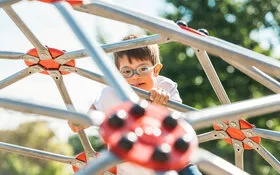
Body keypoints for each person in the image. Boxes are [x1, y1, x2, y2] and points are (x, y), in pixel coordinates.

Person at [70, 34, 201, 175]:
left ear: (156, 70)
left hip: (170, 162)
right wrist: (79, 121)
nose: (134, 76)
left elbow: (180, 123)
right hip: (132, 168)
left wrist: (162, 105)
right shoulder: (110, 94)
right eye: (127, 71)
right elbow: (92, 114)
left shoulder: (165, 87)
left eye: (142, 69)